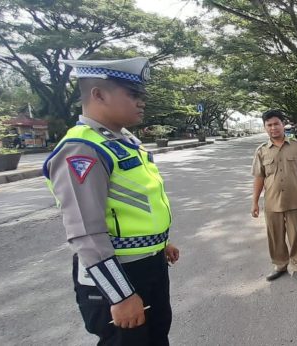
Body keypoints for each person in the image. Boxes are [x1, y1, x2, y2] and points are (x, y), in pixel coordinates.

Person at [43, 57, 179, 345]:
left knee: (156, 338)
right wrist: (121, 294)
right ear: (98, 94)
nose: (141, 102)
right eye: (132, 94)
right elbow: (86, 232)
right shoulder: (82, 148)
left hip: (148, 265)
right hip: (119, 273)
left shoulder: (122, 141)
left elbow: (135, 205)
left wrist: (159, 242)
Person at [251, 110, 297, 282]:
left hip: (294, 200)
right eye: (269, 125)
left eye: (276, 123)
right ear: (265, 128)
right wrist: (254, 202)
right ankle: (279, 264)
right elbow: (259, 177)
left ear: (283, 124)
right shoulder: (261, 151)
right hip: (272, 201)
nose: (273, 128)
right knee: (275, 236)